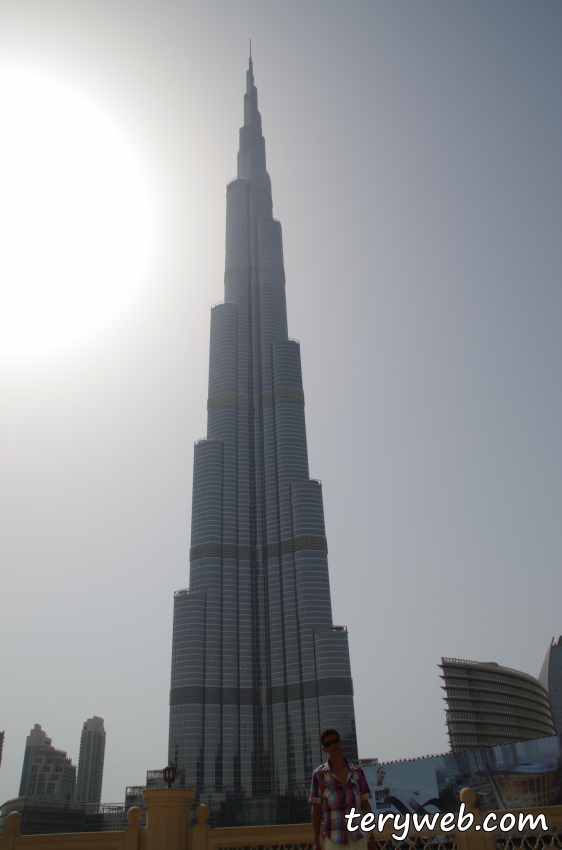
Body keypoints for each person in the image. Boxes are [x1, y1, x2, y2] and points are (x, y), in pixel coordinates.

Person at [309, 728, 377, 850]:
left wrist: (371, 837)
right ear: (324, 749)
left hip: (358, 836)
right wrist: (316, 841)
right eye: (328, 744)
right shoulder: (319, 775)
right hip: (334, 839)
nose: (333, 746)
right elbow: (316, 809)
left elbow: (365, 805)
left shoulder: (358, 772)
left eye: (335, 741)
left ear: (341, 742)